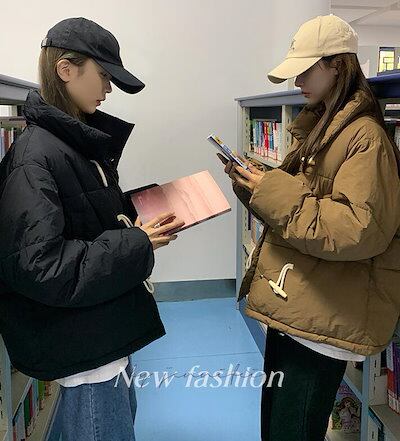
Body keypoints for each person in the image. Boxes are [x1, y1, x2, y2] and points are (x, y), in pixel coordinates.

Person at [0, 17, 184, 441]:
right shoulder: (35, 157)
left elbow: (82, 216)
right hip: (86, 354)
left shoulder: (72, 142)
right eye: (103, 76)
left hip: (101, 332)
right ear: (66, 70)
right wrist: (136, 243)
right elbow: (42, 266)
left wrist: (137, 211)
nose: (108, 89)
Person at [219, 14, 400, 441]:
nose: (297, 80)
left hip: (323, 319)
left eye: (306, 69)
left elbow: (357, 230)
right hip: (300, 303)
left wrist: (273, 190)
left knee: (292, 429)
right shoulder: (321, 127)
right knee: (276, 425)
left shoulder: (365, 137)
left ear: (338, 65)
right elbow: (302, 207)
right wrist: (256, 185)